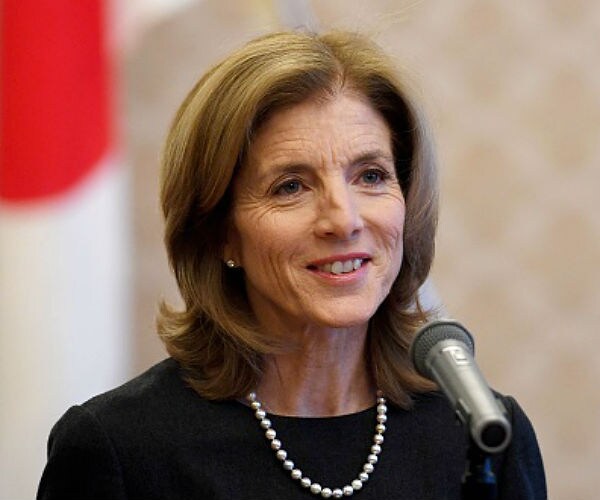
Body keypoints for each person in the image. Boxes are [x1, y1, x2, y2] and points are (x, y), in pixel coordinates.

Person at [37, 30, 546, 499]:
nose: (343, 220)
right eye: (291, 187)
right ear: (220, 232)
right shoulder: (119, 451)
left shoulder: (483, 439)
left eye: (370, 176)